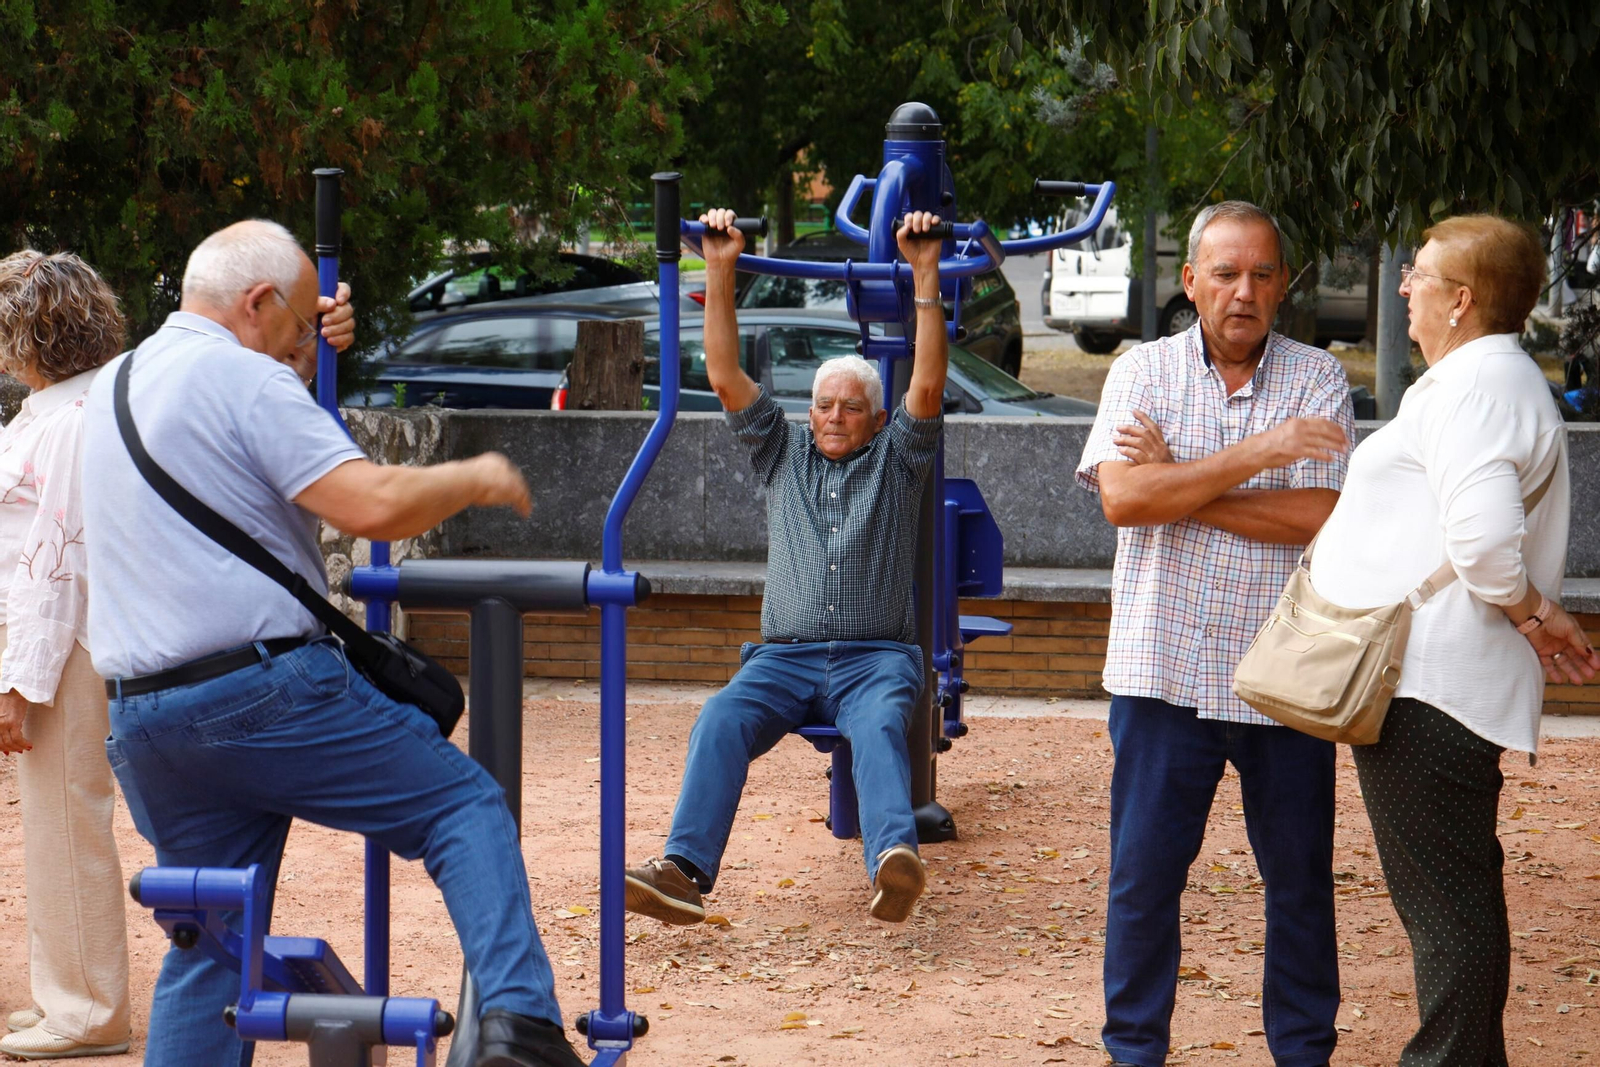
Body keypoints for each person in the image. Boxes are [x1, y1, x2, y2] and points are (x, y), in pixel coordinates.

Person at [80, 220, 584, 1067]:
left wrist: (305, 352)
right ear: (257, 302)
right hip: (259, 691)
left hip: (142, 717)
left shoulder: (114, 384)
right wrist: (478, 477)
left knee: (211, 943)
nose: (311, 338)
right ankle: (522, 1025)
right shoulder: (244, 378)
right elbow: (372, 505)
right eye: (302, 321)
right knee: (462, 805)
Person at [1309, 214, 1599, 1066]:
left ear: (1462, 300)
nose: (1404, 285)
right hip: (1430, 682)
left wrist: (1533, 613)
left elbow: (1480, 541)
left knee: (1449, 912)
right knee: (1452, 900)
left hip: (1428, 687)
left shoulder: (1478, 387)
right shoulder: (1482, 381)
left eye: (1419, 274)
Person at [1075, 200, 1355, 1067]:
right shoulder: (1140, 372)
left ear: (1283, 286)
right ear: (1190, 281)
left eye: (1262, 274)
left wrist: (1182, 483)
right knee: (1144, 884)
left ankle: (1304, 1052)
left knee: (1301, 886)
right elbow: (1124, 499)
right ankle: (1134, 1052)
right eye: (1226, 273)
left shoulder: (1319, 378)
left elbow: (1321, 516)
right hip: (1162, 673)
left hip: (1285, 677)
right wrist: (1255, 454)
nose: (1244, 291)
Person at [624, 207, 949, 925]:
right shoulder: (783, 453)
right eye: (823, 404)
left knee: (876, 726)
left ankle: (896, 860)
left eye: (851, 407)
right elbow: (722, 372)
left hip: (875, 658)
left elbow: (925, 387)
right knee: (721, 715)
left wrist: (924, 273)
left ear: (875, 418)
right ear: (808, 413)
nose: (834, 415)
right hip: (785, 658)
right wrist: (719, 266)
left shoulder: (899, 462)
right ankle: (683, 869)